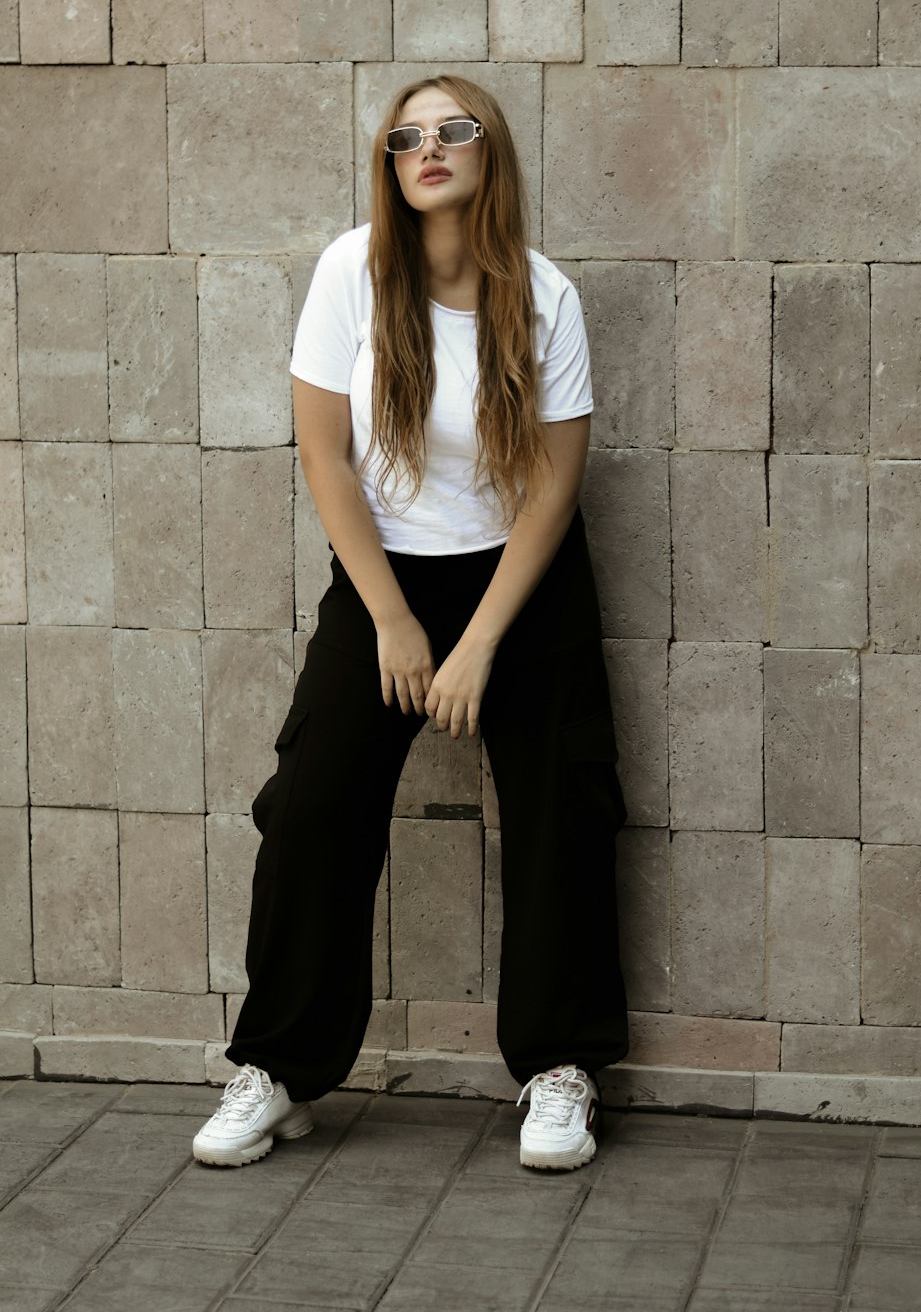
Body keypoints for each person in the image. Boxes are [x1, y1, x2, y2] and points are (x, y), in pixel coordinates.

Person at [192, 75, 629, 1172]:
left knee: (562, 806)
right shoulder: (352, 270)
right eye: (407, 137)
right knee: (310, 803)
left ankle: (559, 1069)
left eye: (454, 130)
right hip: (385, 575)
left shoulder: (544, 296)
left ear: (492, 154)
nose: (429, 148)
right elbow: (324, 455)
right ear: (390, 166)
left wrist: (480, 639)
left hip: (519, 580)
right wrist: (390, 619)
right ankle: (280, 1069)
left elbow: (554, 487)